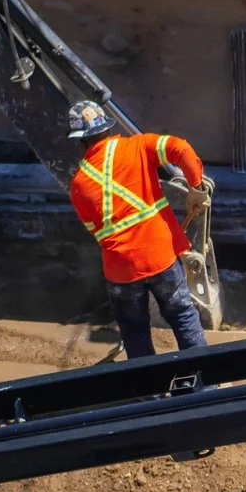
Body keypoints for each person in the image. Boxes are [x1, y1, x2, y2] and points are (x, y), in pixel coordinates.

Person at [66, 100, 209, 359]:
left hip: (121, 270)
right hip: (160, 257)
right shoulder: (138, 146)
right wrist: (196, 189)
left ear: (79, 141)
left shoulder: (78, 184)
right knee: (182, 315)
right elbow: (181, 148)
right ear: (107, 129)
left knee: (134, 330)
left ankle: (151, 392)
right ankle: (204, 383)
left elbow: (95, 231)